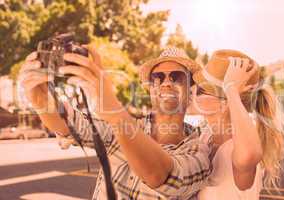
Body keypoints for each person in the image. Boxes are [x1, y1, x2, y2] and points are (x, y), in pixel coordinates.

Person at [19, 46, 213, 199]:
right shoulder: (122, 128)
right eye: (158, 77)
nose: (166, 83)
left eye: (177, 77)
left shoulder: (199, 151)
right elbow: (69, 124)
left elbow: (160, 175)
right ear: (150, 89)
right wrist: (40, 98)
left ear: (191, 92)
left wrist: (113, 111)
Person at [190, 49, 284, 199]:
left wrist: (231, 89)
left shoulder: (236, 147)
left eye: (201, 90)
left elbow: (249, 155)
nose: (192, 89)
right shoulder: (206, 136)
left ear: (224, 103)